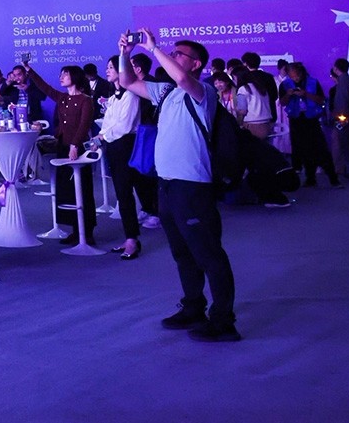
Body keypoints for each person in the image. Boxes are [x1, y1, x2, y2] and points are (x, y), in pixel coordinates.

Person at [118, 29, 240, 342]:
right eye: (172, 53)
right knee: (182, 253)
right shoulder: (166, 92)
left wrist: (154, 48)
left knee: (208, 253)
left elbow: (184, 79)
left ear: (196, 63)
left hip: (192, 185)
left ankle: (223, 320)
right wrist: (125, 54)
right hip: (167, 184)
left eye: (178, 54)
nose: (172, 56)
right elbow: (128, 82)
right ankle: (193, 306)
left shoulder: (204, 91)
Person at [26, 65, 98, 247]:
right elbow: (45, 87)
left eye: (66, 74)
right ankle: (75, 229)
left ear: (75, 77)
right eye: (61, 74)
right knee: (67, 189)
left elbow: (84, 125)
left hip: (78, 149)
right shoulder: (63, 98)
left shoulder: (86, 100)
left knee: (82, 188)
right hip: (62, 146)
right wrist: (29, 70)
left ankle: (87, 231)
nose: (62, 77)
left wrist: (75, 145)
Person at [100, 59, 149, 260]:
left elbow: (125, 126)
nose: (107, 71)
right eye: (107, 68)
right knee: (122, 193)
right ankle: (130, 236)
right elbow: (107, 123)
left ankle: (132, 239)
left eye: (111, 67)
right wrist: (103, 135)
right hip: (113, 147)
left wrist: (104, 135)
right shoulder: (113, 97)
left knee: (128, 192)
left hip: (126, 146)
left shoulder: (131, 95)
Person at [279, 63, 340, 188]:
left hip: (311, 119)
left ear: (301, 72)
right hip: (296, 119)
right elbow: (282, 102)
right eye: (292, 76)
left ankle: (333, 178)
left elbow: (322, 100)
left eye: (297, 76)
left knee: (321, 148)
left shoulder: (313, 82)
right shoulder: (284, 85)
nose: (295, 79)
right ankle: (310, 178)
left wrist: (306, 94)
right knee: (302, 149)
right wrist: (288, 94)